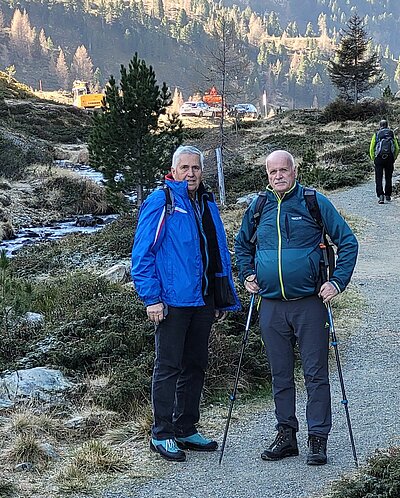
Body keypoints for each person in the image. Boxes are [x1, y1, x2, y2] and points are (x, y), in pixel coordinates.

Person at [234, 150, 358, 466]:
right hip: (271, 305)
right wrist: (247, 274)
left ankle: (318, 438)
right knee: (280, 373)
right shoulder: (258, 206)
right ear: (267, 175)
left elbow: (347, 242)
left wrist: (337, 282)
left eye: (283, 170)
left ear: (294, 171)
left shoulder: (314, 202)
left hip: (309, 304)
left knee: (315, 373)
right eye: (272, 171)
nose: (278, 176)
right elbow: (242, 244)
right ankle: (286, 435)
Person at [131, 145, 240, 462]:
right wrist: (151, 298)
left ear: (201, 171)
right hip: (171, 301)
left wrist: (220, 295)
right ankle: (162, 434)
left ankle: (185, 427)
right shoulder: (162, 202)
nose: (190, 173)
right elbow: (142, 255)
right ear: (174, 170)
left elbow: (216, 249)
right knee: (168, 366)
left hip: (203, 299)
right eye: (185, 168)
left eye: (195, 168)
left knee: (195, 364)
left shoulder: (205, 202)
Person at [369, 119, 399, 204]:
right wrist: (394, 158)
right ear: (387, 125)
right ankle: (388, 195)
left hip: (379, 158)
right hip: (389, 158)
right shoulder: (391, 133)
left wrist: (373, 158)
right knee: (388, 177)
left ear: (380, 125)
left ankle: (380, 196)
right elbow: (397, 148)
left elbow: (371, 148)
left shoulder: (377, 134)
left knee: (378, 178)